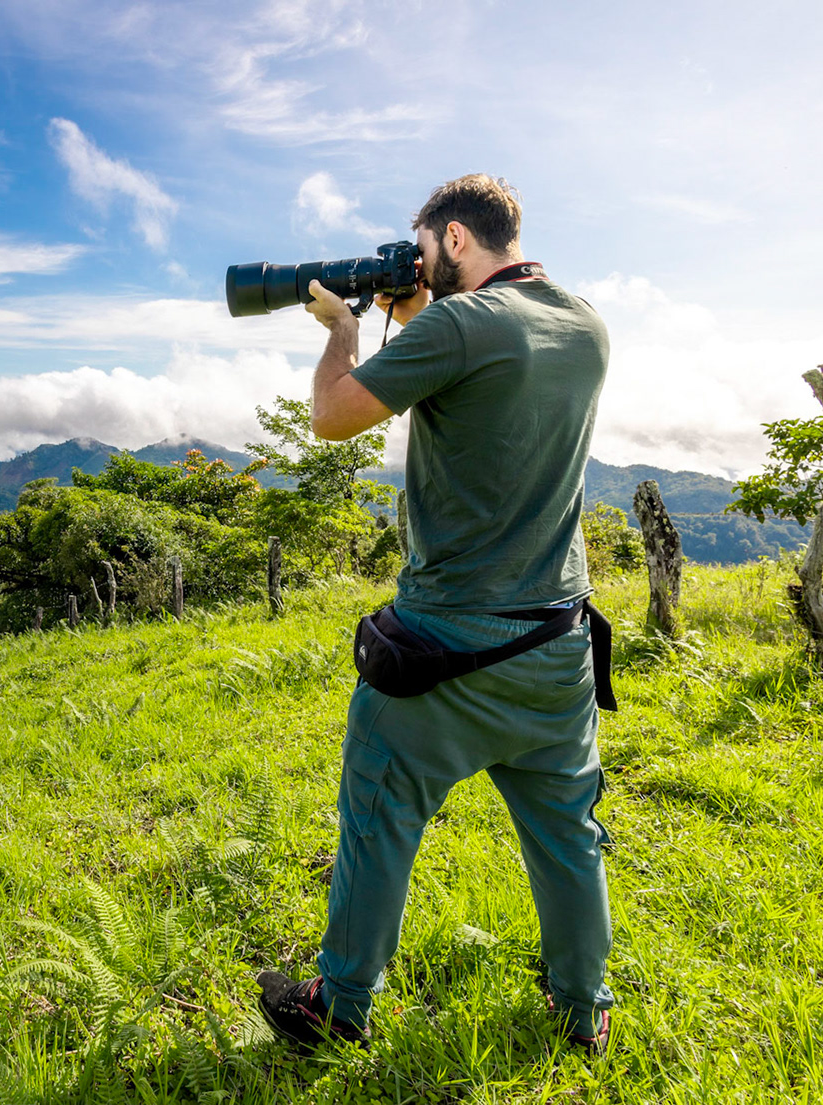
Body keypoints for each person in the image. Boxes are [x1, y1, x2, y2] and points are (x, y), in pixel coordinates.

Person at [255, 174, 615, 1053]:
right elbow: (477, 364)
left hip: (449, 644)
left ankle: (337, 1005)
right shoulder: (582, 325)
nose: (412, 259)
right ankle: (584, 1007)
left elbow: (334, 418)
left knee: (377, 813)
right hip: (557, 642)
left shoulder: (461, 325)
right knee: (568, 836)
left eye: (419, 246)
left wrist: (346, 332)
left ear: (454, 239)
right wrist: (419, 308)